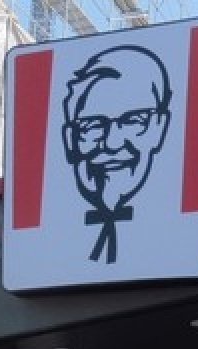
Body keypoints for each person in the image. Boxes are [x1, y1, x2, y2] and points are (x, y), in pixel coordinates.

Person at [61, 45, 172, 264]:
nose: (112, 143)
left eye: (132, 120)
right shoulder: (49, 248)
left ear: (159, 128)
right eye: (92, 125)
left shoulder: (177, 240)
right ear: (69, 138)